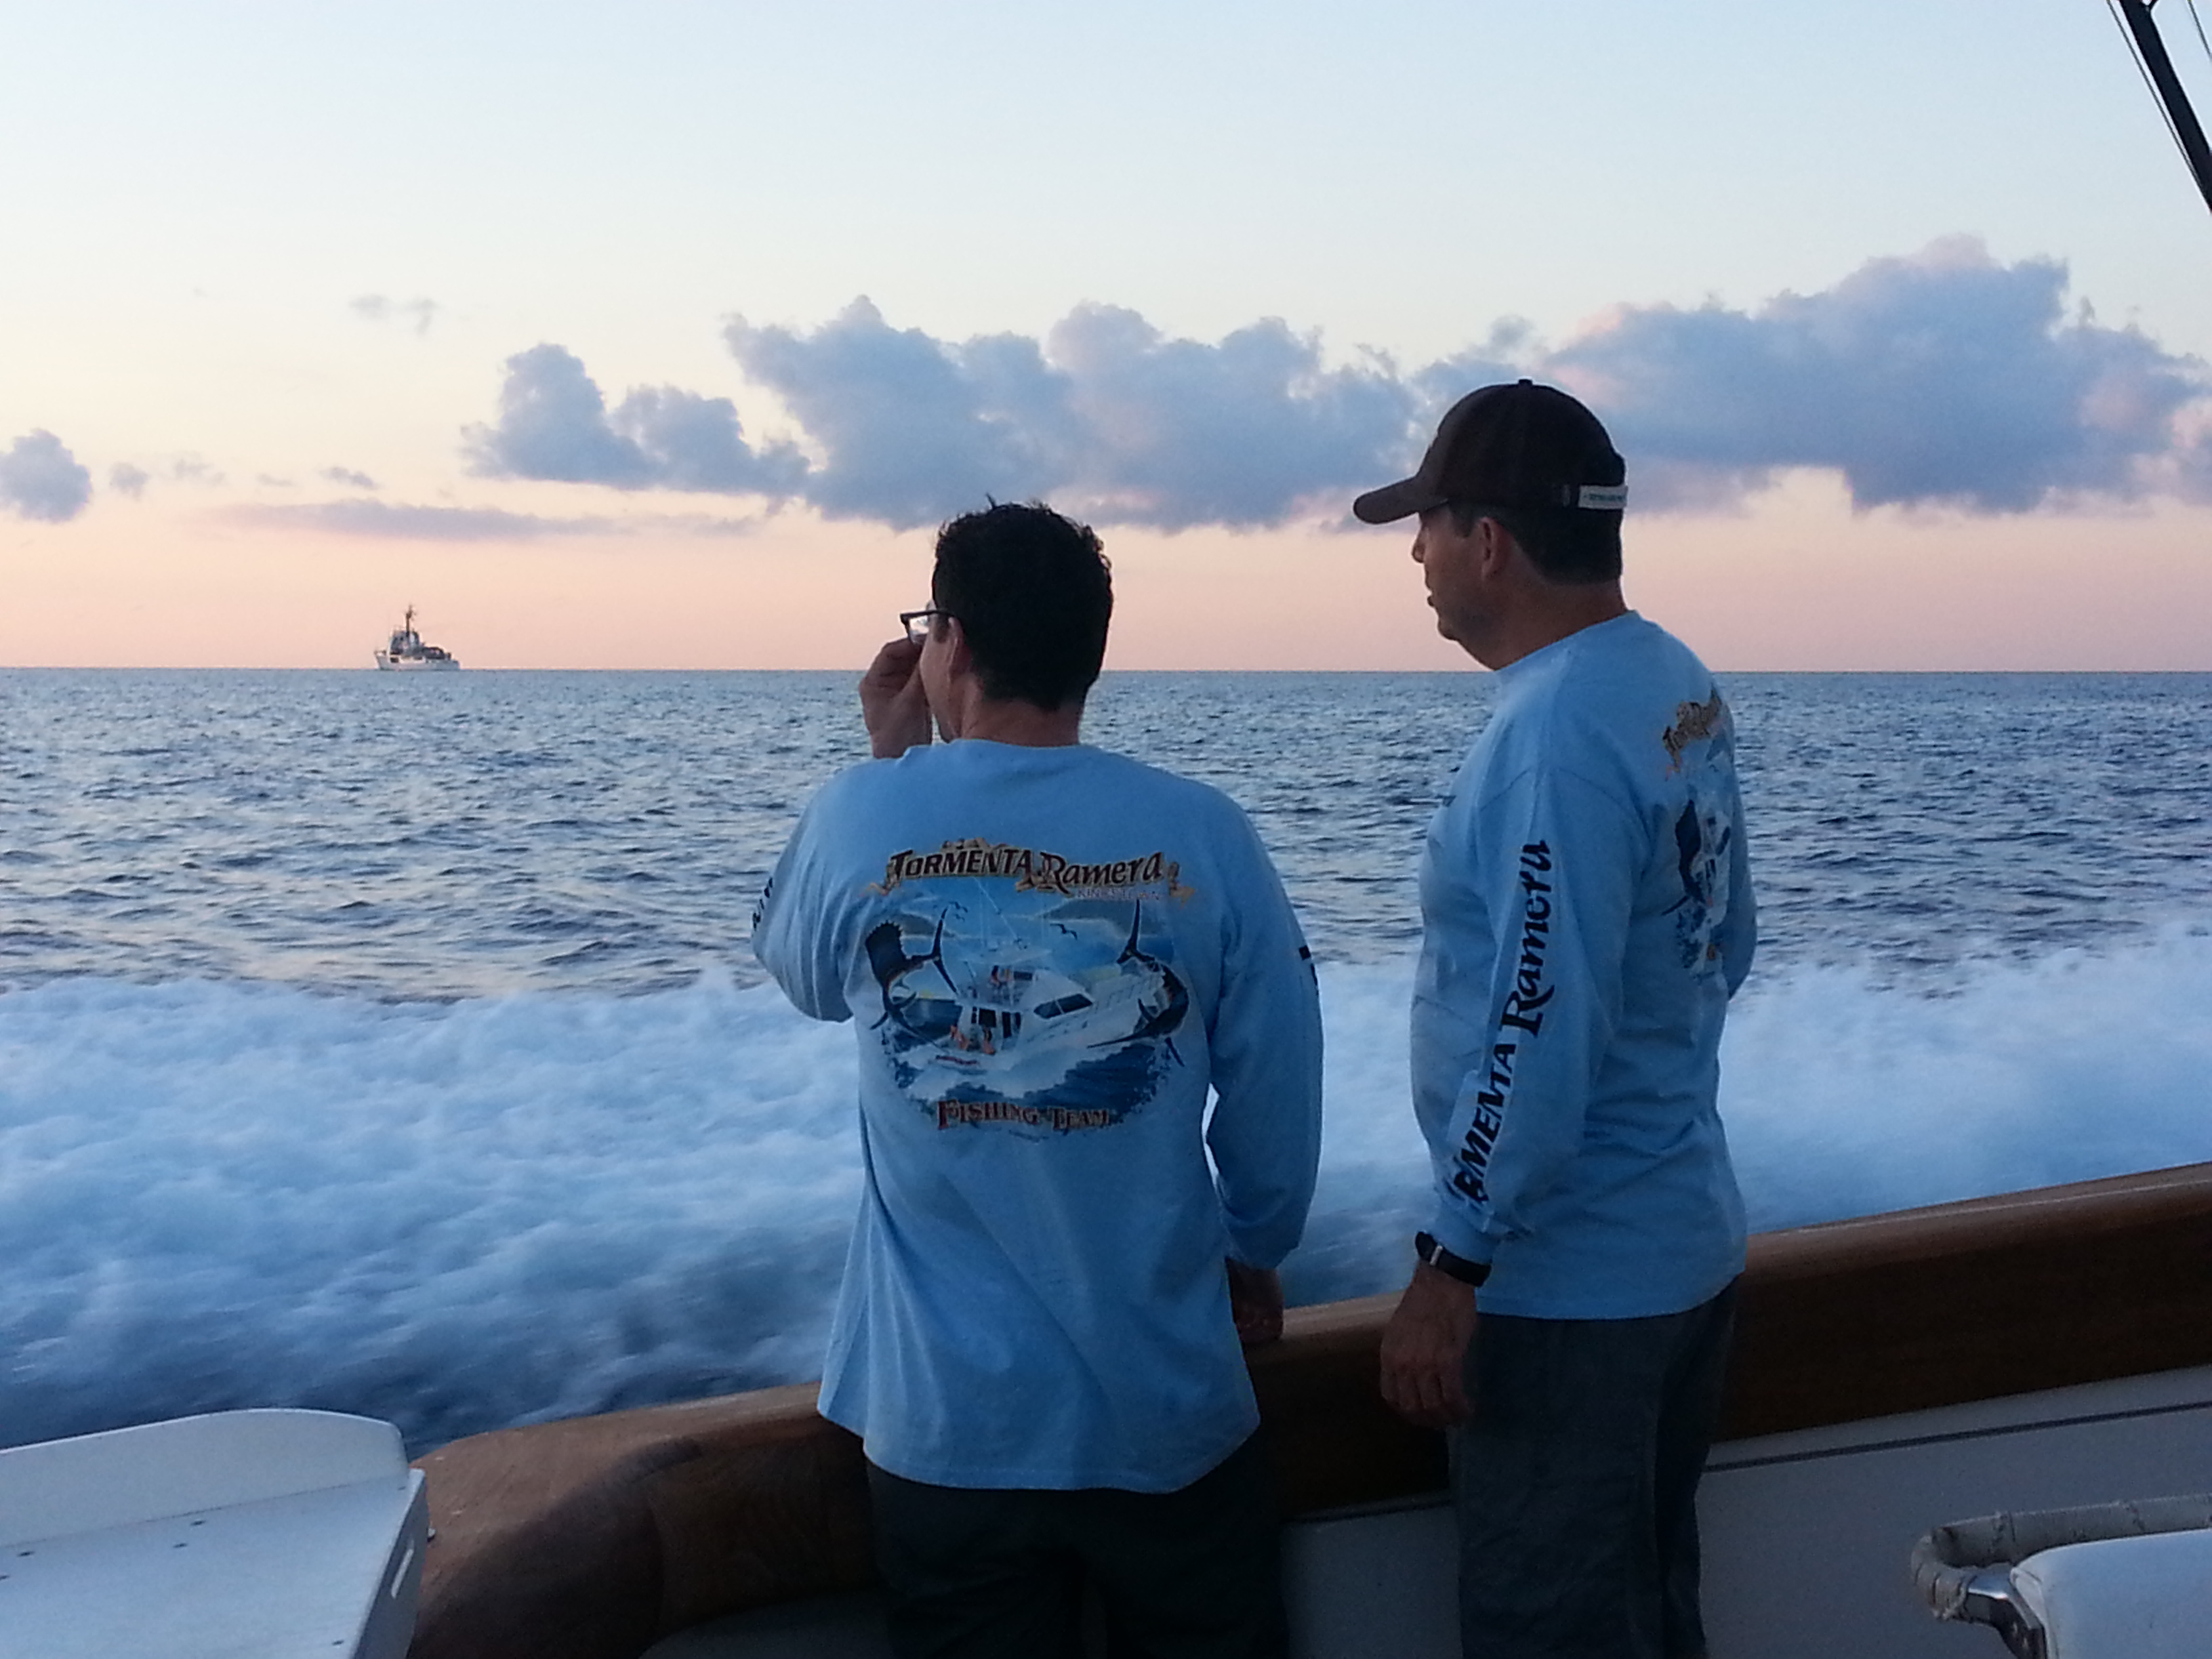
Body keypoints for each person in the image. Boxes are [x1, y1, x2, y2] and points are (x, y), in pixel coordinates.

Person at [751, 501, 1324, 1659]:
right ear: (1090, 652)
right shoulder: (1203, 830)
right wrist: (1255, 1244)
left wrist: (891, 763)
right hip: (1169, 1412)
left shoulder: (862, 812)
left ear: (948, 642)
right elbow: (1279, 1084)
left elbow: (809, 977)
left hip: (948, 1429)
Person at [1356, 382, 1756, 1659]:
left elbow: (1538, 1028)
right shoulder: (1669, 679)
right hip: (1684, 1243)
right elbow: (1726, 943)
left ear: (1490, 542)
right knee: (1652, 1616)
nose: (1415, 556)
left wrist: (1453, 1263)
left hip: (1568, 1288)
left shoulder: (1553, 736)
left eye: (1425, 525)